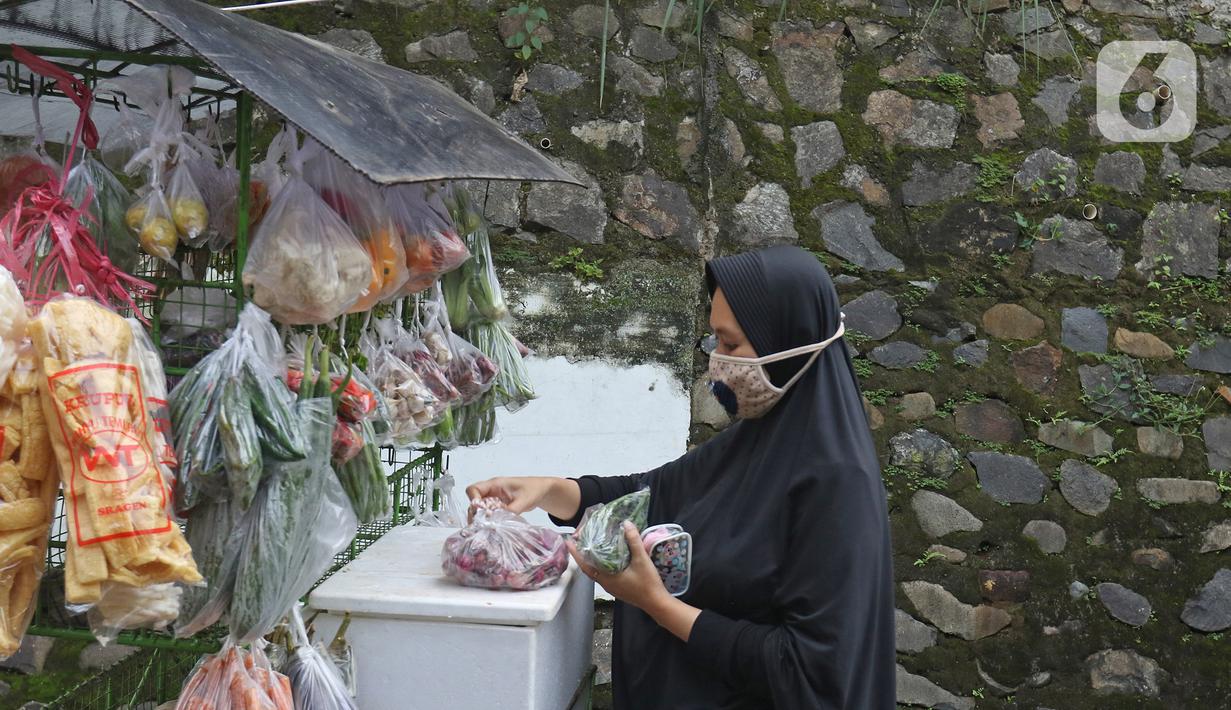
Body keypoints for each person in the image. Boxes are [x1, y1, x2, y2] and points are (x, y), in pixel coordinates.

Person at [467, 245, 895, 709]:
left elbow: (811, 671)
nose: (718, 360)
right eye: (716, 341)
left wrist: (659, 605)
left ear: (786, 344)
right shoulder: (757, 442)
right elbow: (652, 495)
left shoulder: (835, 484)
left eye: (731, 344)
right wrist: (548, 490)